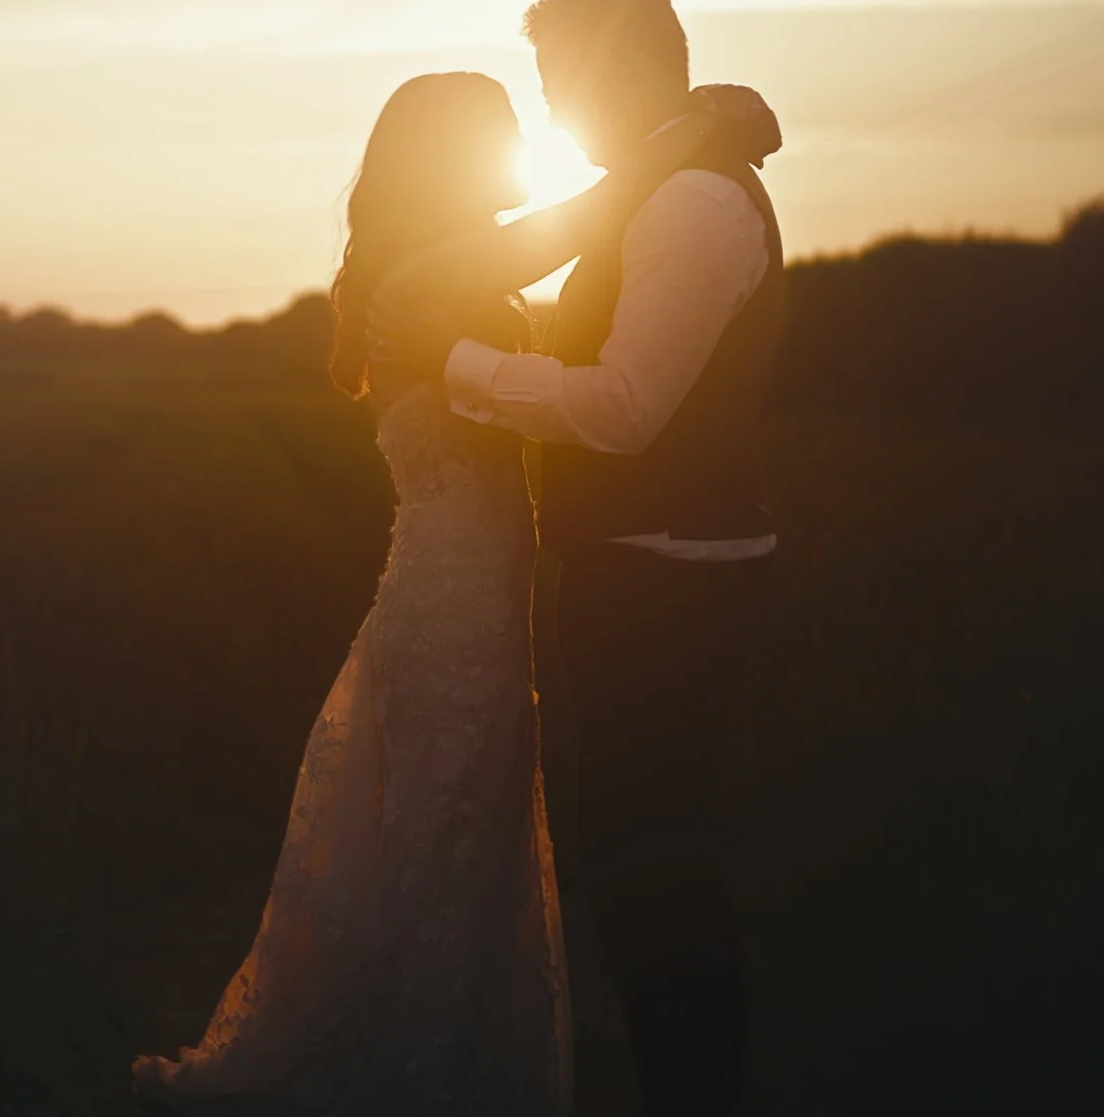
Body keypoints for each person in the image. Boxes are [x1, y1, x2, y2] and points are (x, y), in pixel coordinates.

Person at [131, 68, 763, 1114]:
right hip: (455, 603)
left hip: (459, 592)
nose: (515, 155)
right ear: (446, 159)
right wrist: (700, 127)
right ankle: (412, 1072)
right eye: (499, 137)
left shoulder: (437, 273)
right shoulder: (432, 276)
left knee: (457, 847)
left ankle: (445, 1057)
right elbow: (588, 216)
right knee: (446, 846)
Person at [376, 0, 786, 1116]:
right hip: (643, 573)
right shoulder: (653, 183)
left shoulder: (690, 200)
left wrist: (457, 364)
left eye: (559, 80)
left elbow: (622, 407)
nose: (553, 112)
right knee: (640, 872)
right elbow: (547, 245)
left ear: (620, 69)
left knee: (658, 879)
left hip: (672, 579)